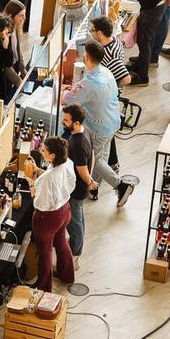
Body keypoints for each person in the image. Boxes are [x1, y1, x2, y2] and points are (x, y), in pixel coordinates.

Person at [63, 41, 137, 205]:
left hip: (99, 128)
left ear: (87, 57)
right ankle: (94, 188)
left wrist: (65, 90)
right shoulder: (106, 72)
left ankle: (121, 185)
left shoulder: (89, 83)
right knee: (102, 157)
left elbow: (67, 100)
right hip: (113, 122)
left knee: (95, 160)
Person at [28, 137, 75, 292]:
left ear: (53, 155)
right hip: (65, 210)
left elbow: (39, 203)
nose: (41, 152)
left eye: (43, 150)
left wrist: (31, 185)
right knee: (61, 242)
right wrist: (38, 172)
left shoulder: (48, 178)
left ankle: (43, 287)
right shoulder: (67, 163)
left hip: (47, 218)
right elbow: (55, 178)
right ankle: (67, 274)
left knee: (45, 251)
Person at [62, 105, 96, 264]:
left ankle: (74, 256)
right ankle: (77, 248)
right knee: (79, 216)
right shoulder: (86, 131)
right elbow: (93, 156)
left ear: (76, 123)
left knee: (74, 223)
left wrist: (89, 182)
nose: (63, 122)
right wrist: (91, 178)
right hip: (82, 186)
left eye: (66, 120)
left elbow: (81, 170)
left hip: (76, 189)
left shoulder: (76, 143)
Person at [89, 16, 131, 86]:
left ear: (100, 33)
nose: (91, 33)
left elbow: (127, 79)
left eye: (92, 30)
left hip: (108, 92)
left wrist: (110, 86)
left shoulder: (110, 56)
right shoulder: (114, 39)